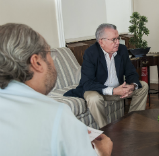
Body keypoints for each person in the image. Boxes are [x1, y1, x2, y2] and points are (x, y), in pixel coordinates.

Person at [0, 23, 113, 156]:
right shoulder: (56, 115)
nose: (53, 61)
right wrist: (104, 153)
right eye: (50, 54)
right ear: (36, 62)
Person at [64, 23, 148, 128]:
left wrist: (132, 85)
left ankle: (133, 124)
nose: (118, 42)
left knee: (143, 86)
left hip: (118, 90)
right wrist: (113, 91)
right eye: (113, 39)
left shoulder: (122, 50)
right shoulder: (90, 53)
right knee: (93, 98)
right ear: (101, 42)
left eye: (118, 38)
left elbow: (131, 72)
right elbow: (87, 83)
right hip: (98, 90)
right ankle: (105, 130)